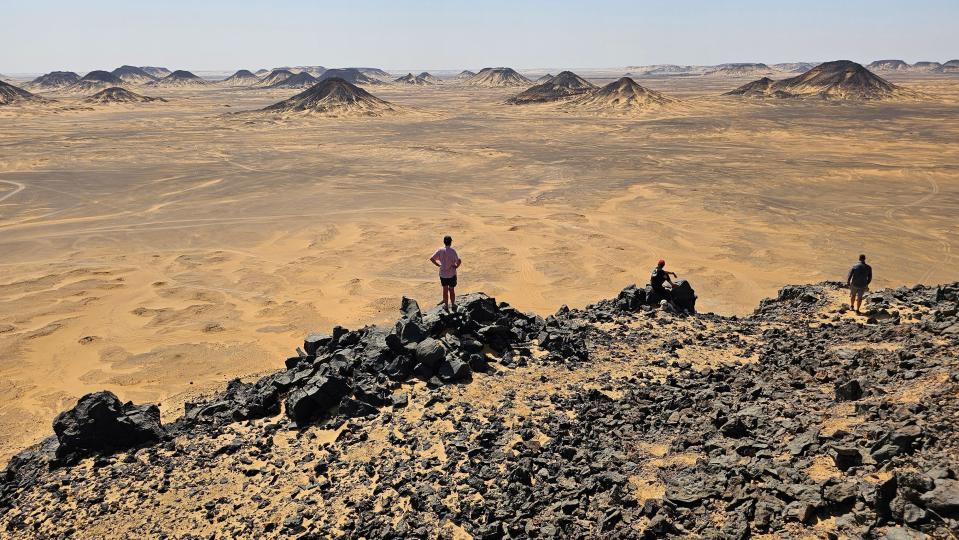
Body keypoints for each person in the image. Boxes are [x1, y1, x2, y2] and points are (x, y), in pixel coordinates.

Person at [430, 235, 461, 311]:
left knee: (445, 289)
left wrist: (438, 265)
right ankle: (453, 304)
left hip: (443, 274)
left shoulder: (440, 250)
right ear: (450, 242)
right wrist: (456, 266)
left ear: (444, 242)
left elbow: (432, 258)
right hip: (451, 274)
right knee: (451, 289)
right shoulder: (452, 251)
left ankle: (446, 305)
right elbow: (459, 261)